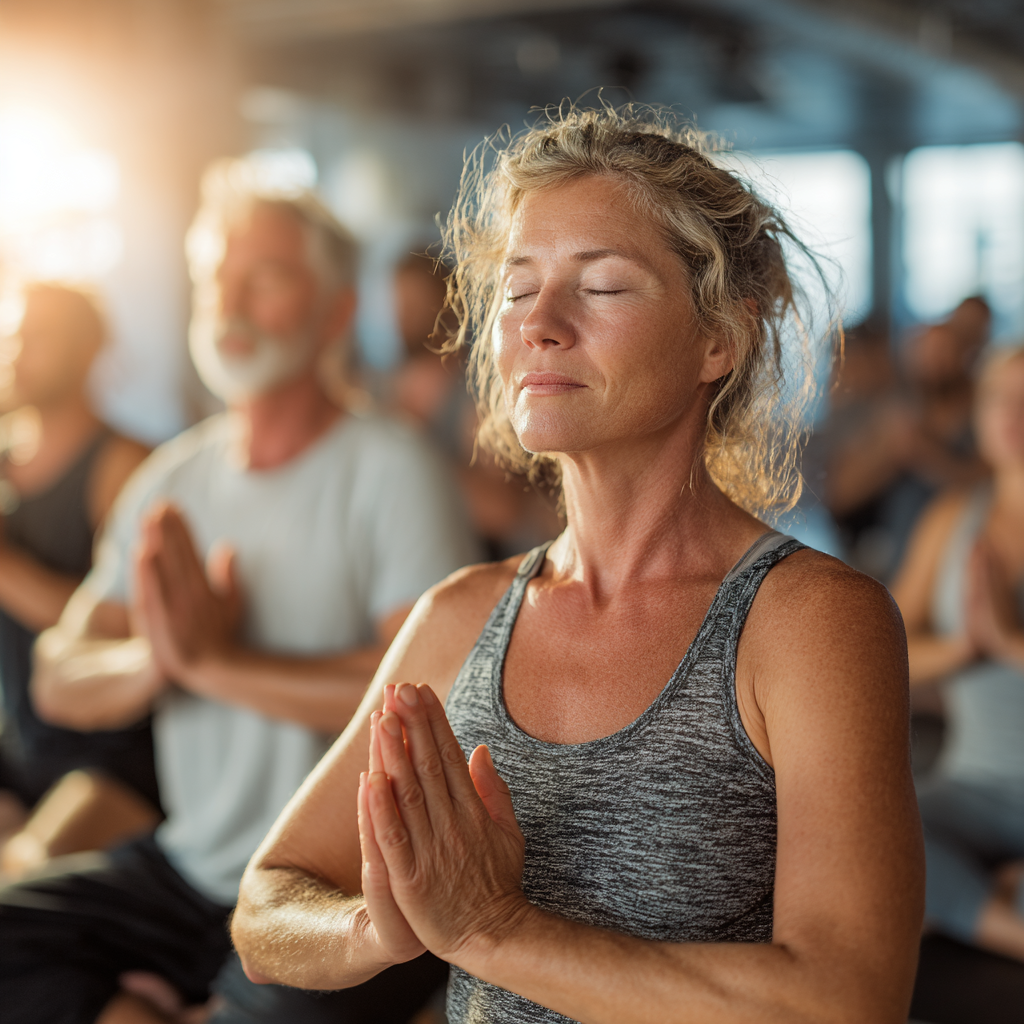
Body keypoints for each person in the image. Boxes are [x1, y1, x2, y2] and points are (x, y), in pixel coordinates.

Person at [231, 106, 924, 1024]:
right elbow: (266, 902)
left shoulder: (806, 621)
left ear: (719, 338)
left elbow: (847, 997)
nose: (541, 325)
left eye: (599, 287)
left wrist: (486, 927)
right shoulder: (461, 616)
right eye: (518, 291)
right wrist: (381, 929)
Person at [0, 167, 476, 1023]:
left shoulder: (393, 468)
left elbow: (424, 699)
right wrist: (160, 660)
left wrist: (215, 663)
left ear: (334, 313)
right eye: (216, 278)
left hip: (328, 886)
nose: (230, 302)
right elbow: (57, 675)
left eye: (265, 278)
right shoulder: (169, 476)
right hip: (187, 868)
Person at [0, 283, 156, 865]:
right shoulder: (7, 467)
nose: (17, 353)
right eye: (14, 336)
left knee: (21, 879)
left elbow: (126, 626)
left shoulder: (124, 465)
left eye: (39, 338)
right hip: (21, 745)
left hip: (111, 758)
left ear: (88, 349)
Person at [891, 345, 1024, 964]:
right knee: (870, 830)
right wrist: (962, 649)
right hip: (973, 788)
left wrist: (1011, 645)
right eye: (1001, 398)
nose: (1014, 415)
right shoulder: (951, 521)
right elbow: (876, 655)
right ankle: (1002, 920)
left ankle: (951, 903)